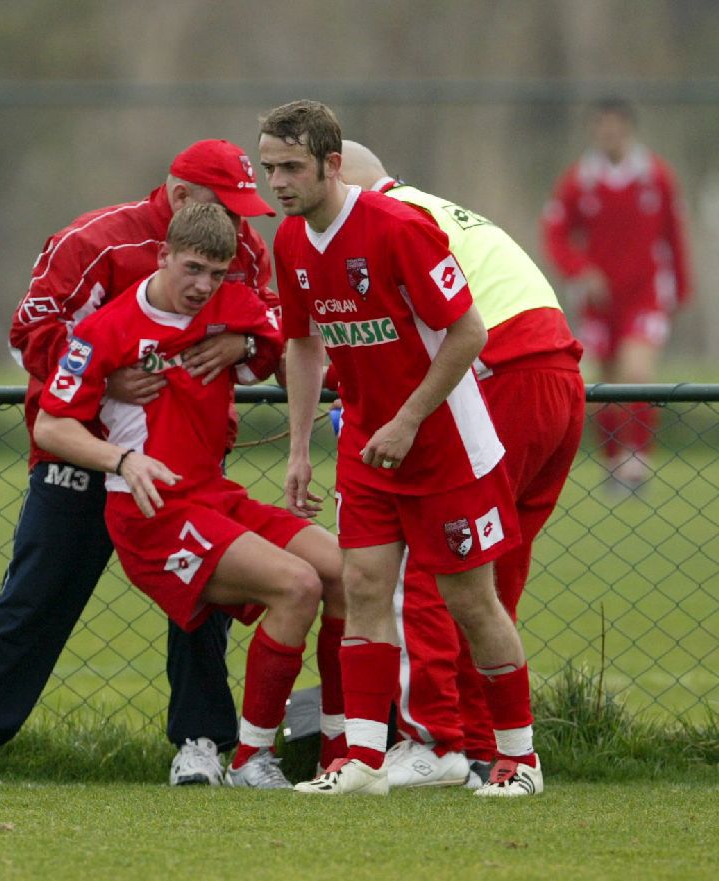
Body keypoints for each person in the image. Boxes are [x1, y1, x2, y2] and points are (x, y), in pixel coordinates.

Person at [0, 139, 346, 787]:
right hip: (85, 454)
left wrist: (238, 341)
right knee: (36, 598)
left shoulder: (239, 248)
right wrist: (109, 380)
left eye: (243, 212)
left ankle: (202, 740)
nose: (238, 225)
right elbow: (31, 334)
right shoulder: (95, 242)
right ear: (180, 198)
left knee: (205, 607)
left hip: (187, 468)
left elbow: (272, 325)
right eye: (226, 207)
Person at [260, 99, 542, 797]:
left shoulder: (398, 227)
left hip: (445, 446)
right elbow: (302, 343)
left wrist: (410, 419)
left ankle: (521, 759)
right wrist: (299, 449)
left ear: (331, 164)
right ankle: (363, 761)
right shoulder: (290, 241)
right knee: (363, 588)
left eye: (291, 168)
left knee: (470, 602)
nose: (278, 183)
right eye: (269, 169)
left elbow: (469, 332)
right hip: (368, 446)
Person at [33, 201, 345, 788]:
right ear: (163, 256)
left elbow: (282, 338)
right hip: (152, 511)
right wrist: (122, 458)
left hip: (214, 494)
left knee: (344, 572)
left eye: (217, 273)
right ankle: (252, 759)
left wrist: (244, 346)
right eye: (193, 269)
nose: (204, 286)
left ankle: (340, 748)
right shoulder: (107, 329)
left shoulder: (234, 303)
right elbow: (51, 426)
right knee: (298, 586)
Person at [339, 141, 585, 789]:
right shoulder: (437, 208)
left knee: (428, 562)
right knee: (491, 573)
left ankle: (435, 739)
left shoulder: (382, 221)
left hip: (496, 372)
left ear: (344, 178)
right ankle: (489, 747)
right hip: (558, 374)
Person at [542, 97, 692, 493]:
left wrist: (681, 288)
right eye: (602, 126)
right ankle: (612, 463)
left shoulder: (656, 176)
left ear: (628, 129)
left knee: (637, 374)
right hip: (598, 302)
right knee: (604, 384)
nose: (609, 133)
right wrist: (580, 270)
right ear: (594, 131)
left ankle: (636, 464)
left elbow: (674, 235)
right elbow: (555, 235)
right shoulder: (579, 181)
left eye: (615, 125)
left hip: (645, 295)